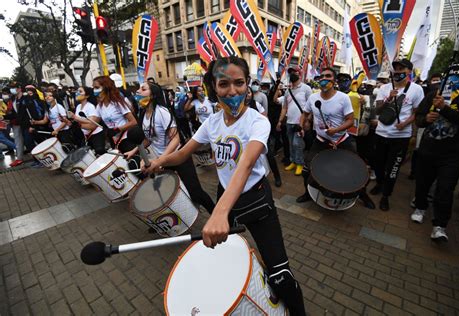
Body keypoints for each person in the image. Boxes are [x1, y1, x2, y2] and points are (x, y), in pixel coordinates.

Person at [142, 57, 306, 315]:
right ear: (214, 88)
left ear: (248, 84)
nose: (232, 91)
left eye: (239, 83)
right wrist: (158, 161)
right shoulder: (212, 123)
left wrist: (219, 212)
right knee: (225, 261)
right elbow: (184, 154)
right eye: (224, 84)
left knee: (280, 276)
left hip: (256, 200)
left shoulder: (257, 122)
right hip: (226, 199)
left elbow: (247, 164)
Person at [297, 68, 375, 209]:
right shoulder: (313, 98)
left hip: (342, 140)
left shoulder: (343, 98)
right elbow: (305, 114)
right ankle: (307, 193)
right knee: (306, 170)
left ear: (334, 80)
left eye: (328, 76)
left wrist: (336, 130)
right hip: (321, 141)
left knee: (358, 170)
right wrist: (303, 126)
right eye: (321, 76)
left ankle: (363, 195)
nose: (324, 79)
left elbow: (350, 121)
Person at [132, 82, 215, 214]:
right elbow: (149, 138)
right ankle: (171, 222)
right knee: (162, 192)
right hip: (161, 159)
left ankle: (218, 216)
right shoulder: (143, 114)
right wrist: (133, 151)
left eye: (143, 89)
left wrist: (162, 159)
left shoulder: (162, 112)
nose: (138, 91)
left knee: (195, 192)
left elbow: (175, 140)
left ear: (153, 94)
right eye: (139, 89)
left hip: (177, 157)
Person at [410, 63, 459, 241]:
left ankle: (439, 225)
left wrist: (445, 108)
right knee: (423, 183)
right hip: (428, 150)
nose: (453, 81)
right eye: (451, 76)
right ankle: (420, 207)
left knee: (445, 190)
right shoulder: (432, 94)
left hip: (452, 155)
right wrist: (426, 119)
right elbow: (419, 118)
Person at [371, 59, 424, 211]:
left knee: (393, 168)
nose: (398, 71)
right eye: (396, 69)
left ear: (409, 72)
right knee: (378, 164)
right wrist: (389, 98)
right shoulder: (385, 87)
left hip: (401, 136)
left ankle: (386, 195)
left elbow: (416, 112)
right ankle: (380, 184)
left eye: (402, 69)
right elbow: (378, 111)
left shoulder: (416, 89)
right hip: (381, 133)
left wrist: (405, 124)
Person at [277, 66, 312, 176]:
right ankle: (293, 161)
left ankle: (300, 164)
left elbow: (310, 106)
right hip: (289, 122)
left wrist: (307, 121)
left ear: (299, 74)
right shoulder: (288, 91)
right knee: (291, 143)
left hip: (299, 122)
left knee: (298, 143)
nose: (292, 74)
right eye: (290, 72)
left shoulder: (306, 88)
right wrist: (280, 121)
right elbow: (284, 108)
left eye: (294, 72)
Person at [93, 76, 137, 154]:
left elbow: (133, 122)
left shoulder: (117, 103)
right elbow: (92, 123)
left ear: (106, 87)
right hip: (114, 141)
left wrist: (117, 129)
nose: (94, 91)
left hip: (127, 139)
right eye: (93, 88)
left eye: (97, 87)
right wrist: (75, 119)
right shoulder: (99, 106)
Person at [68, 86, 106, 155]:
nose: (77, 93)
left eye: (80, 91)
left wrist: (75, 117)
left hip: (96, 134)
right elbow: (78, 122)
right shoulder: (78, 106)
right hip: (86, 135)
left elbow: (92, 123)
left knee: (99, 153)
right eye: (77, 91)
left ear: (87, 95)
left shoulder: (90, 106)